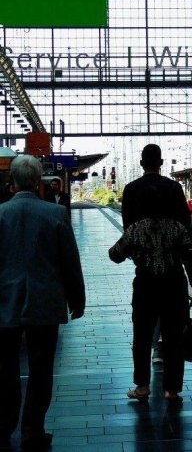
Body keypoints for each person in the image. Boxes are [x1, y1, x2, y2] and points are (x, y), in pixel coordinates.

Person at [0, 155, 85, 450]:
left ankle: (3, 427)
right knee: (40, 370)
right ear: (39, 182)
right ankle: (32, 431)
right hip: (45, 303)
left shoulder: (0, 214)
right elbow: (70, 261)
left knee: (5, 369)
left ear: (12, 182)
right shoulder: (56, 213)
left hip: (4, 304)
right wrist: (77, 298)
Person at [117, 144, 192, 405]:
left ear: (142, 163)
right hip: (174, 282)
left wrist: (136, 249)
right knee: (174, 337)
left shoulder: (131, 191)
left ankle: (142, 386)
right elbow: (189, 249)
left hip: (145, 281)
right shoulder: (174, 192)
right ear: (161, 162)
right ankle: (171, 390)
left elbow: (123, 238)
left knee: (142, 336)